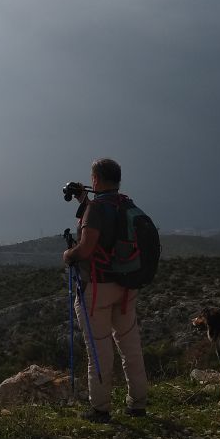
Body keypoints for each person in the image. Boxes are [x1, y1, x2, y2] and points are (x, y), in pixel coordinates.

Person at [62, 157, 149, 423]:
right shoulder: (125, 204)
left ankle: (100, 409)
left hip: (97, 289)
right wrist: (83, 202)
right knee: (130, 346)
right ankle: (138, 404)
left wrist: (68, 254)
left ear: (96, 179)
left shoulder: (96, 209)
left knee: (99, 350)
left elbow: (86, 249)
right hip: (126, 286)